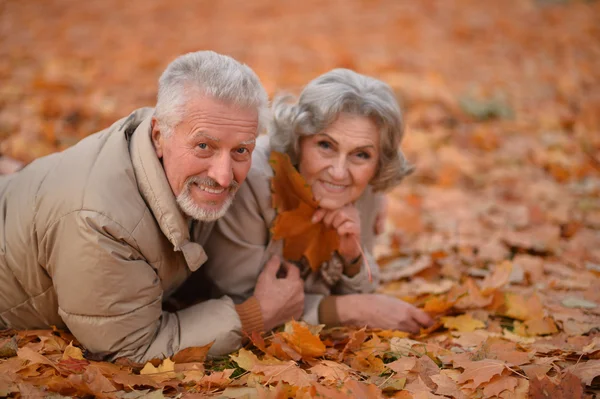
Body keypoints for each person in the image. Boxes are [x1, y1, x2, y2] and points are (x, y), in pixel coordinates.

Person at [0, 51, 306, 362]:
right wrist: (256, 315)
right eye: (204, 146)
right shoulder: (99, 220)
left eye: (241, 149)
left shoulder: (167, 140)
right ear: (159, 135)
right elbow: (129, 347)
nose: (224, 176)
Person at [202, 69, 434, 334]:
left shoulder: (363, 187)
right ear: (299, 140)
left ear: (378, 162)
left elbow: (363, 288)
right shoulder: (251, 182)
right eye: (325, 145)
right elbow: (246, 305)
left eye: (361, 154)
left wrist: (352, 258)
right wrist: (354, 310)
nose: (338, 171)